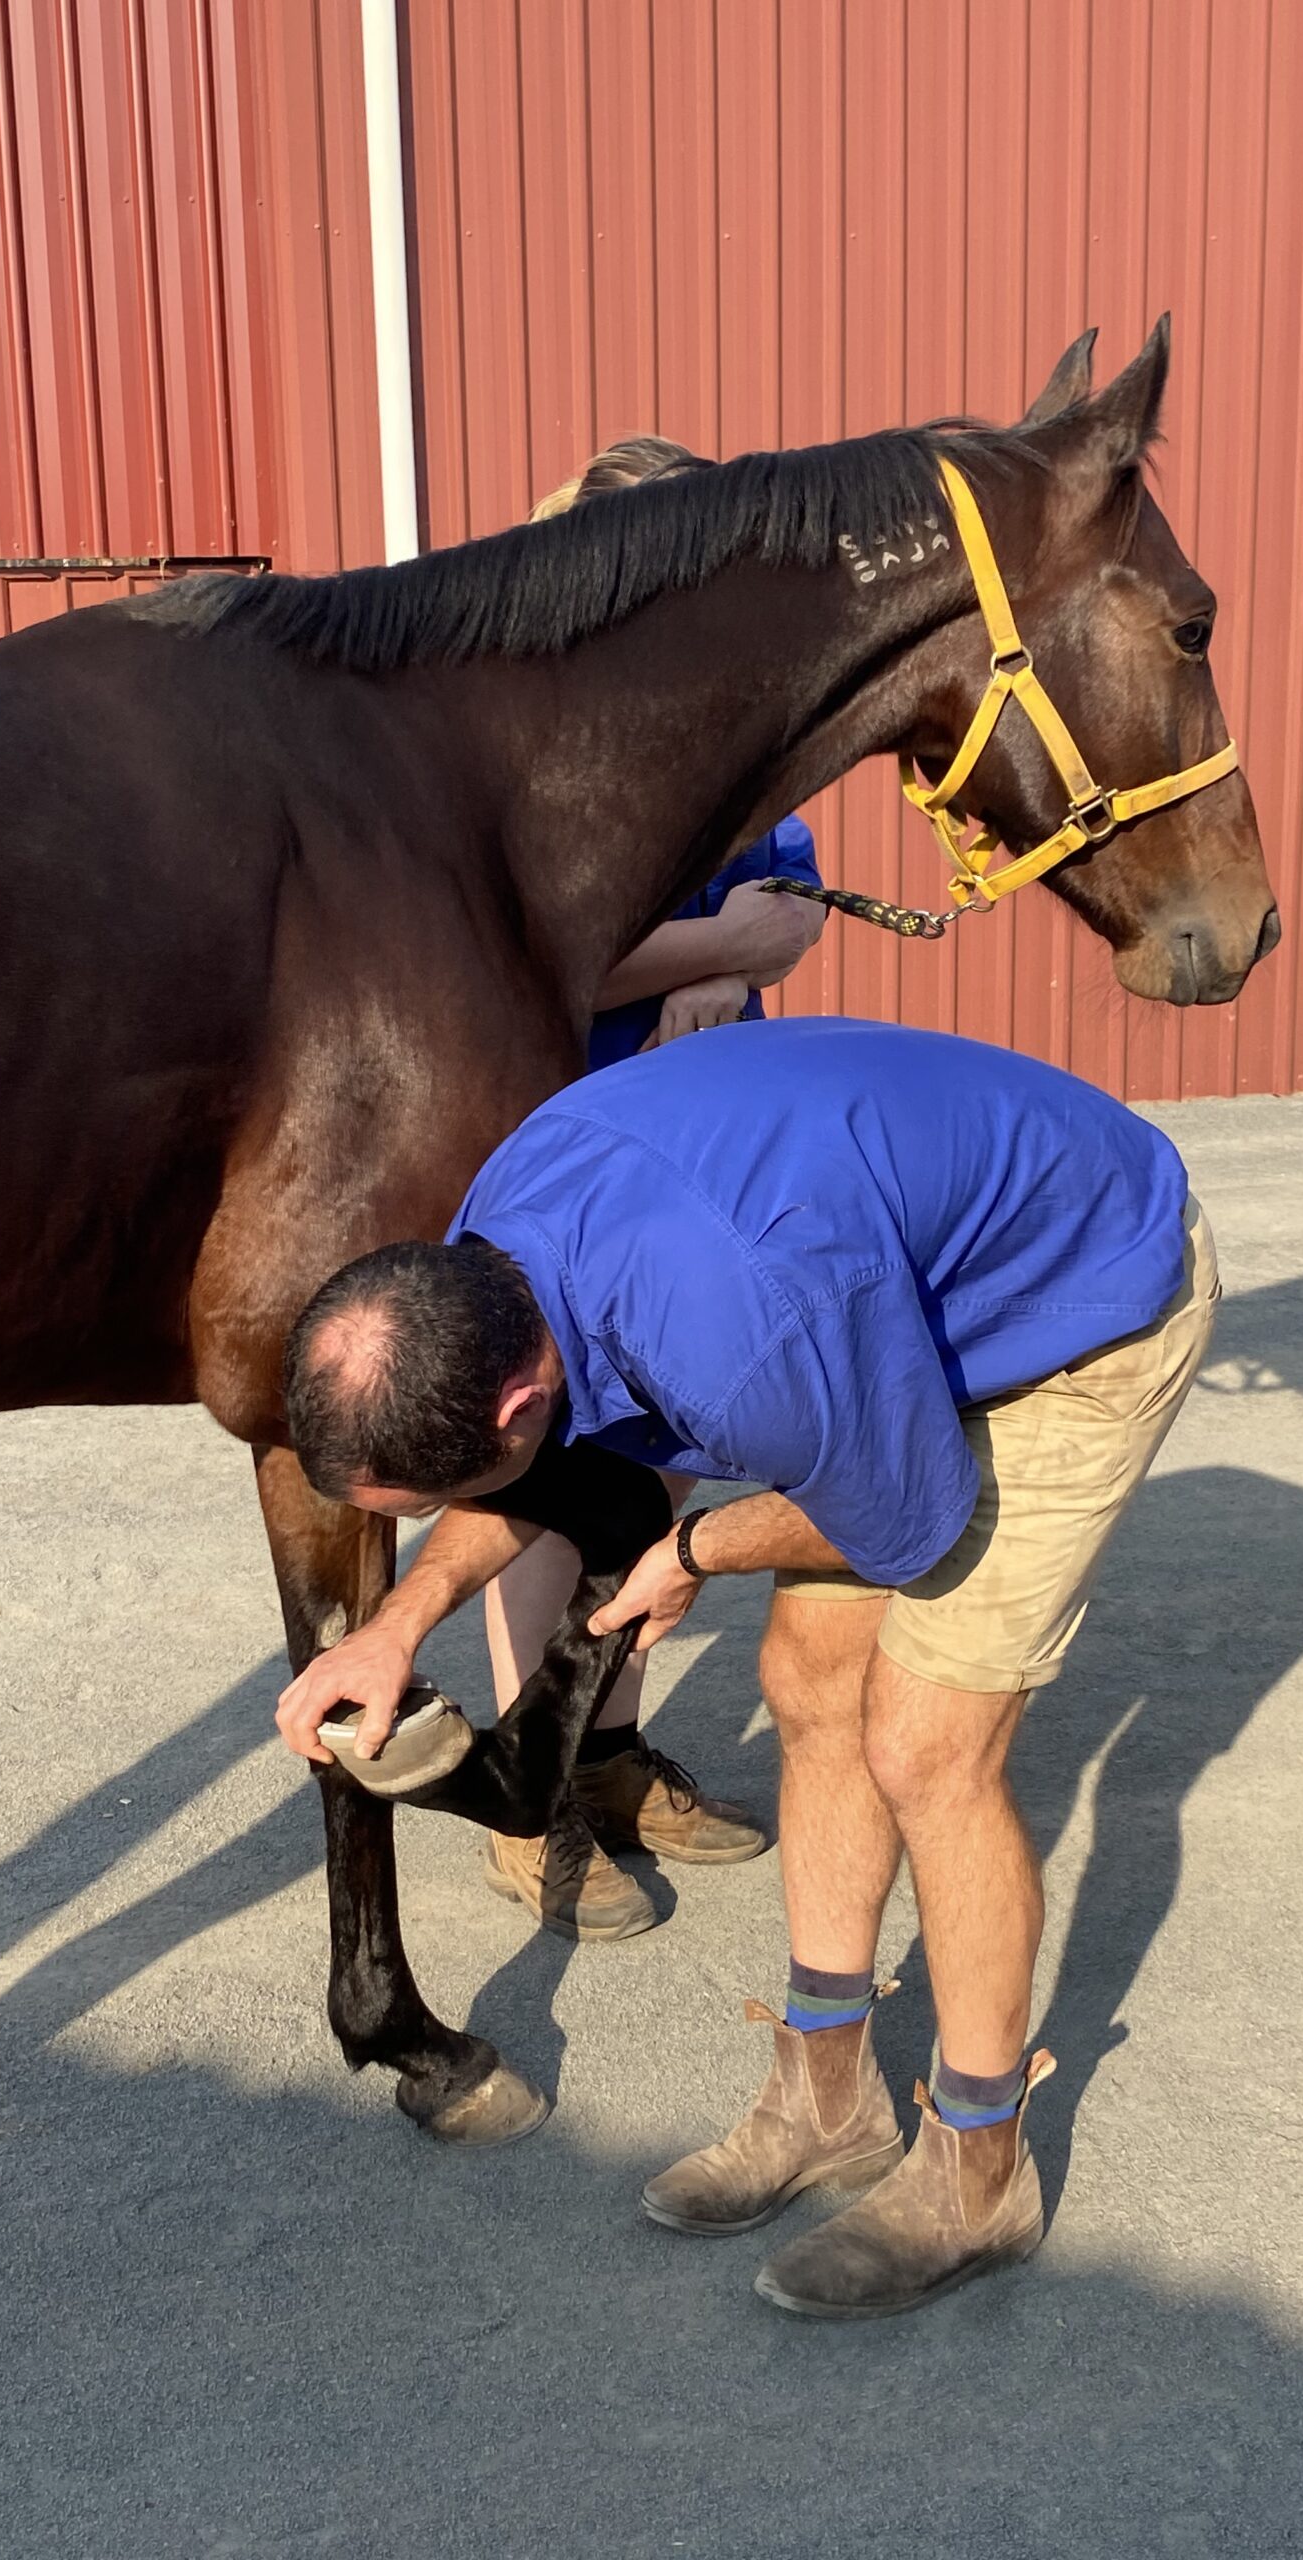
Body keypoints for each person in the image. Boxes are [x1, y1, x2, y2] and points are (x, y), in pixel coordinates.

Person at [275, 1019, 1219, 2320]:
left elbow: (906, 1515)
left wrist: (694, 1548)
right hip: (878, 1304)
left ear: (509, 1402)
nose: (429, 1516)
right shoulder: (487, 1259)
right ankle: (830, 2095)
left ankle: (980, 2165)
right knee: (811, 1687)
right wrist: (399, 1620)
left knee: (927, 1745)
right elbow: (541, 1471)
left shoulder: (736, 1326)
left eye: (431, 1494)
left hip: (1080, 1305)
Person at [480, 436, 827, 1943]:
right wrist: (712, 959)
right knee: (544, 1474)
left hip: (700, 1132)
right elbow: (518, 948)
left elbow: (792, 900)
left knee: (667, 1455)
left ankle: (608, 1755)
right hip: (562, 1139)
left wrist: (735, 954)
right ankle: (523, 1790)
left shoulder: (730, 734)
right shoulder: (527, 740)